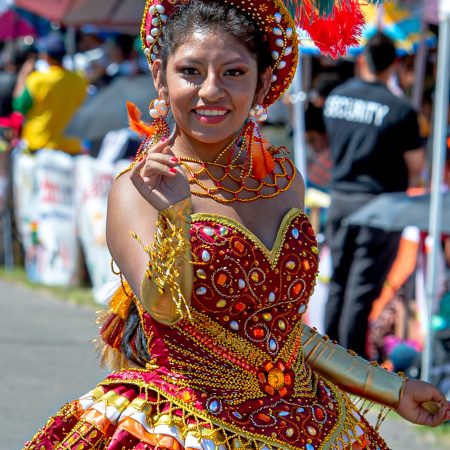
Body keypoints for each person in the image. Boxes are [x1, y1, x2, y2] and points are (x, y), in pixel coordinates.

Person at [25, 2, 448, 449]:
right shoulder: (137, 190)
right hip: (187, 426)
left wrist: (393, 389)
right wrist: (174, 215)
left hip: (311, 425)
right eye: (190, 71)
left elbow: (280, 332)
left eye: (233, 73)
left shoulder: (285, 181)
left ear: (263, 83)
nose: (210, 91)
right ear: (160, 78)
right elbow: (166, 310)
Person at [323, 32, 426, 359]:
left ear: (363, 58)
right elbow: (417, 167)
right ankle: (348, 365)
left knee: (338, 282)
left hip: (339, 198)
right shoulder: (400, 110)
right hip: (380, 207)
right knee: (362, 289)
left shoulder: (336, 97)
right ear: (394, 63)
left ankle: (326, 357)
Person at [12, 33, 87, 155]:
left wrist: (22, 75)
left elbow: (19, 106)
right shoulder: (79, 79)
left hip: (40, 145)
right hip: (71, 146)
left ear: (45, 56)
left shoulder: (37, 79)